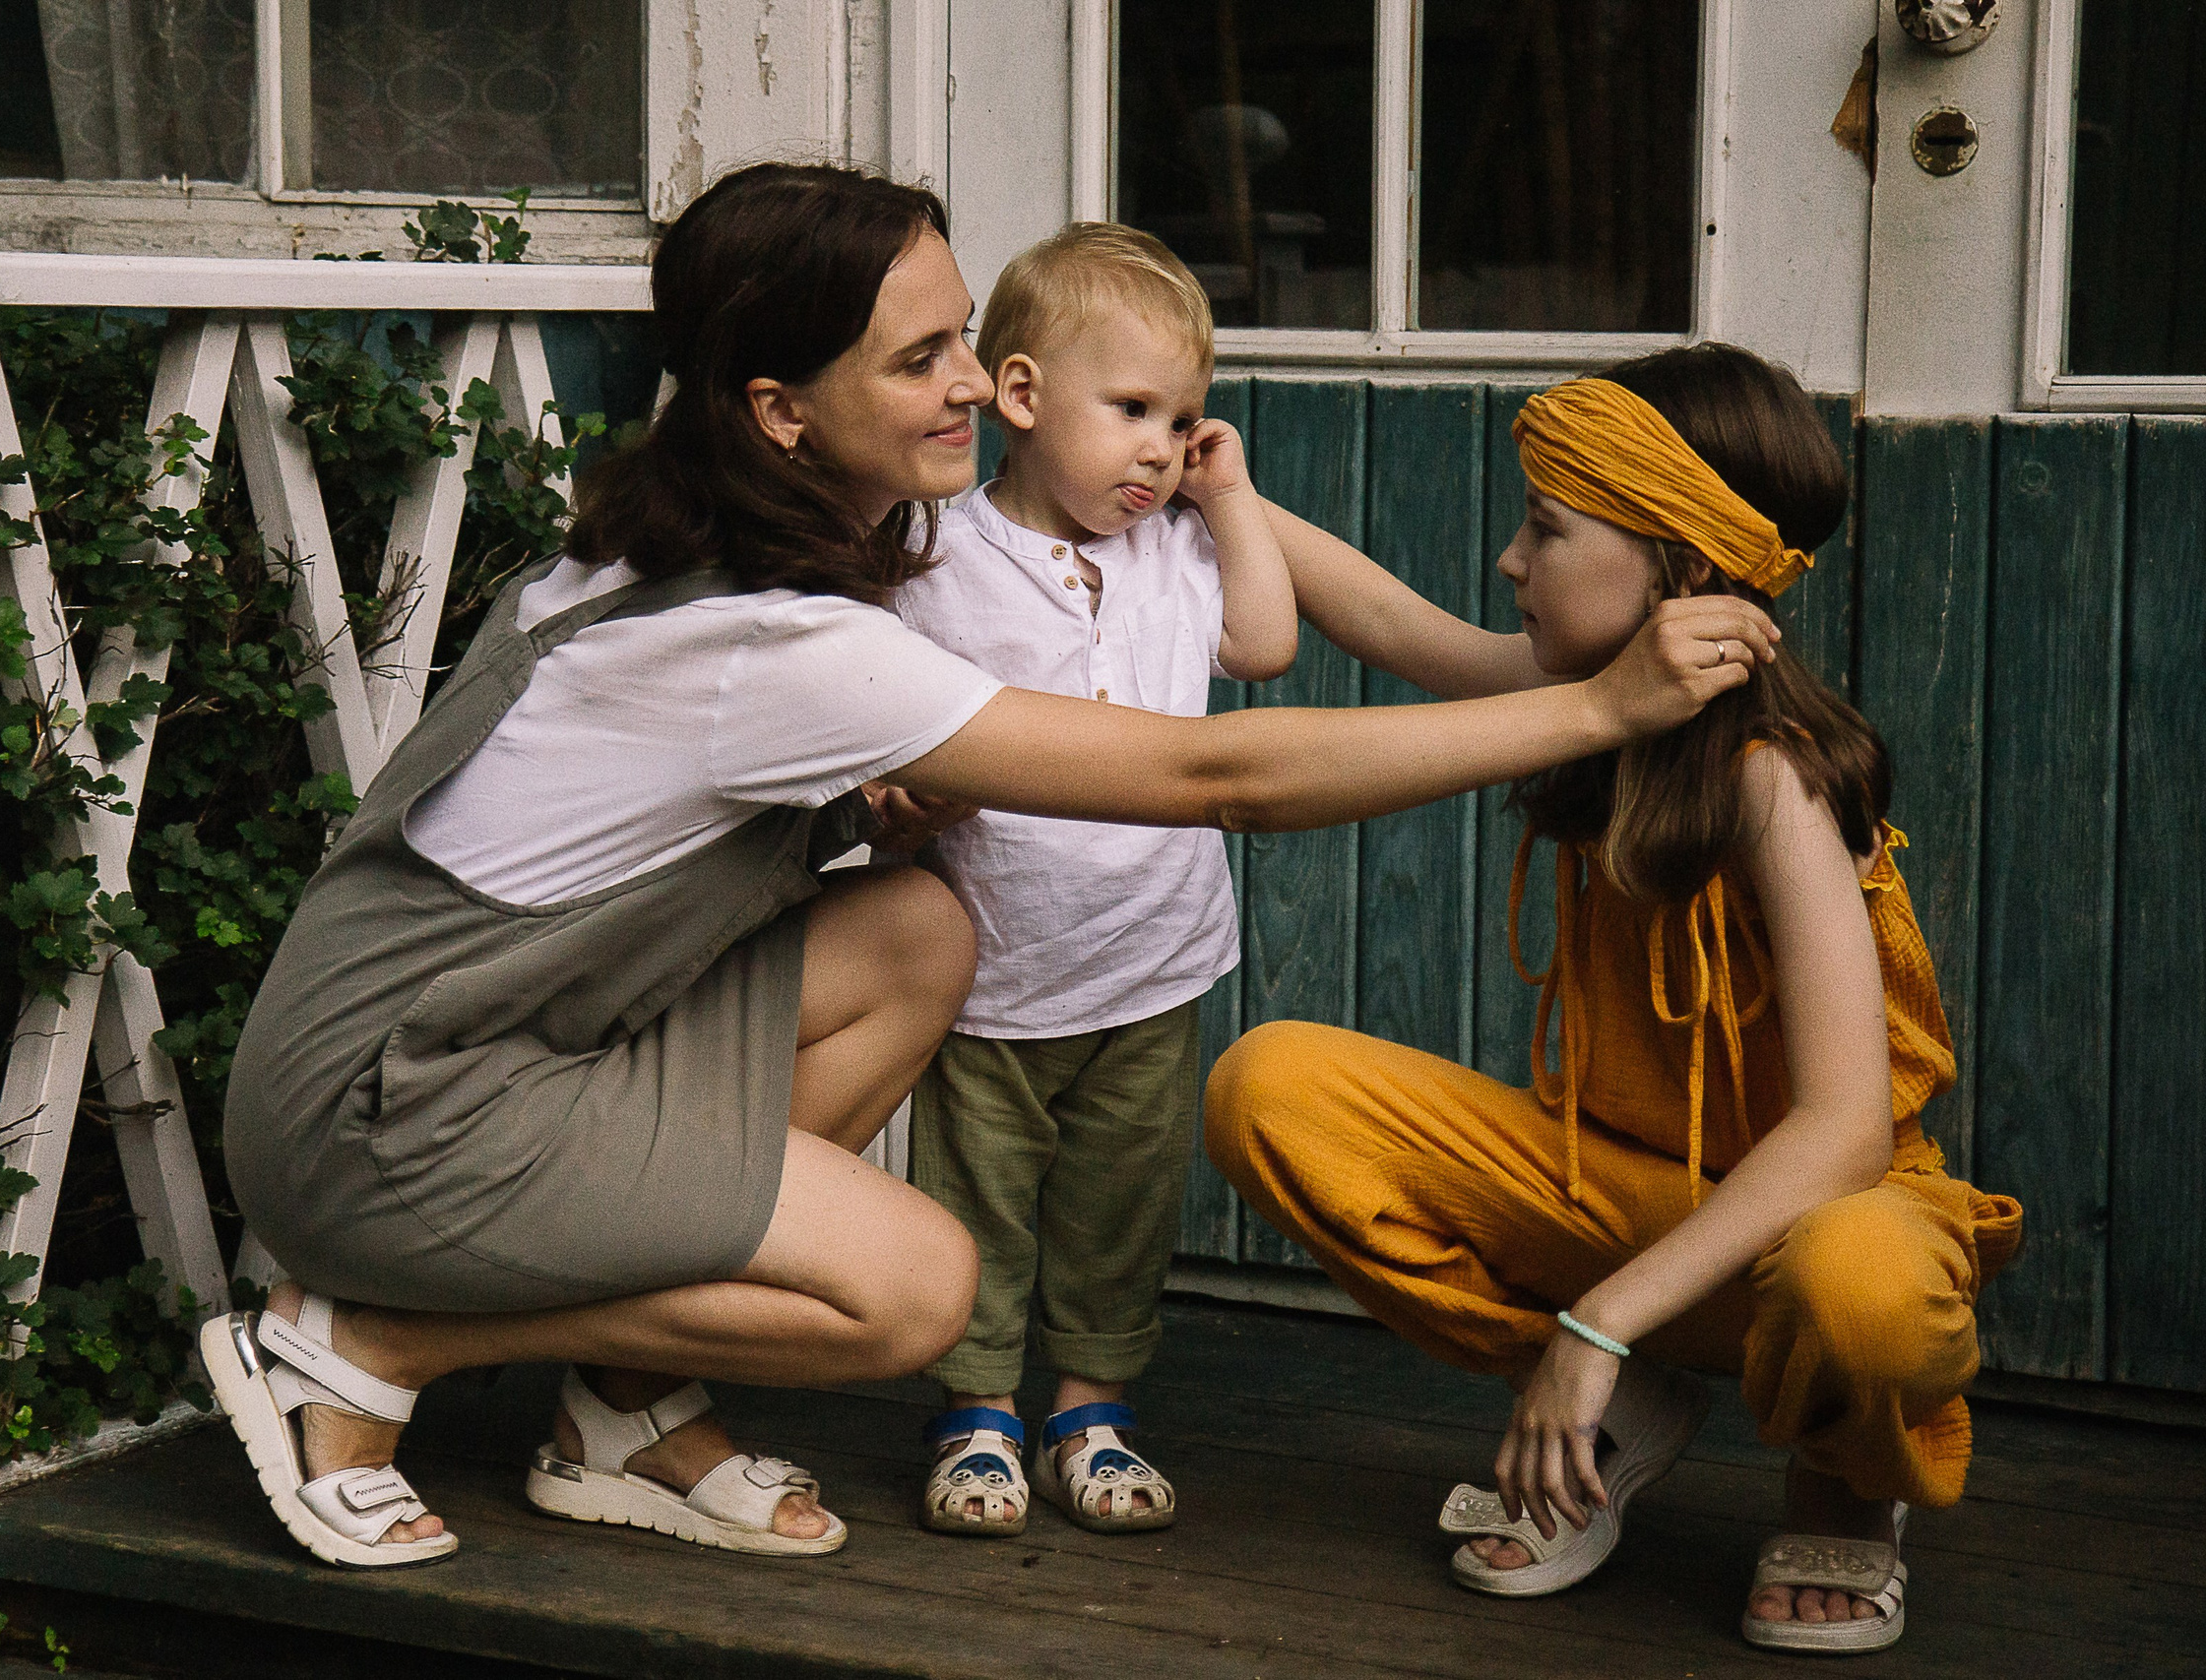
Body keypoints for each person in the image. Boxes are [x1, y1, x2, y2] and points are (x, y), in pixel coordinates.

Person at [198, 162, 1781, 1571]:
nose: (976, 383)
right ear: (780, 409)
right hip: (388, 1108)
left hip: (493, 1034)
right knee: (915, 1294)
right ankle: (372, 1335)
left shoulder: (708, 532)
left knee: (911, 935)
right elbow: (1216, 775)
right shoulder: (783, 634)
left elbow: (1333, 614)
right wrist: (1596, 704)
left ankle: (616, 1409)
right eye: (922, 358)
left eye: (964, 337)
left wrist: (1534, 656)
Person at [1202, 344, 2024, 1654]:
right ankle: (1608, 1406)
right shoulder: (1594, 703)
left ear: (1682, 571)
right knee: (1270, 1089)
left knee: (1856, 1280)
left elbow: (1844, 1135)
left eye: (1546, 528)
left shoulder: (1774, 780)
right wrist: (1207, 479)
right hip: (1619, 1193)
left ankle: (1846, 1486)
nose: (1510, 563)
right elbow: (1406, 628)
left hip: (1823, 1219)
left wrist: (1599, 1320)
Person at [884, 223, 1296, 1537]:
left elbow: (1268, 644)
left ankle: (1088, 1409)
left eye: (1183, 419)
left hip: (1153, 954)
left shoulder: (1175, 550)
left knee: (1122, 1200)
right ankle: (977, 1413)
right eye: (1131, 411)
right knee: (982, 1199)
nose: (1161, 447)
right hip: (998, 964)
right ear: (1018, 396)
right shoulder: (937, 553)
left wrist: (1227, 501)